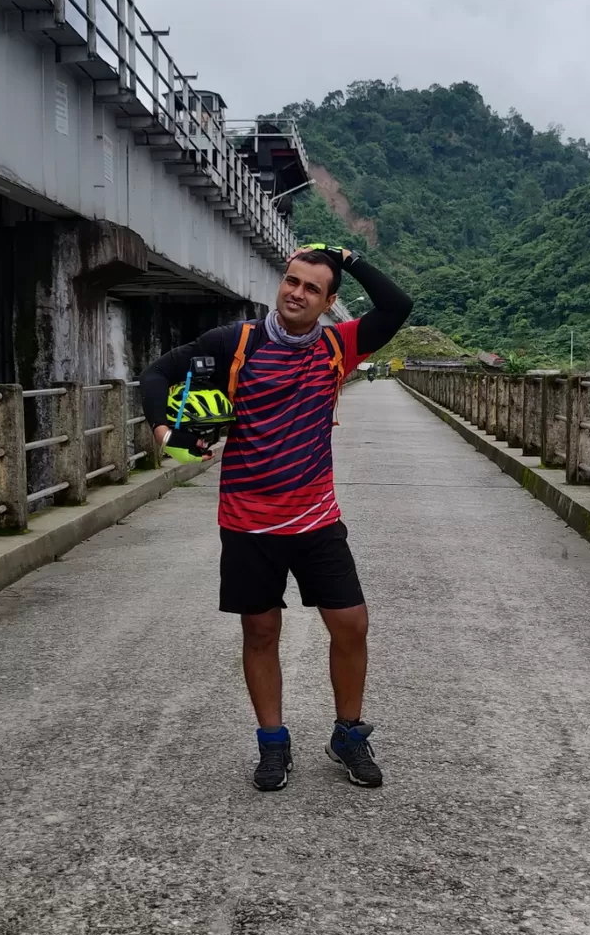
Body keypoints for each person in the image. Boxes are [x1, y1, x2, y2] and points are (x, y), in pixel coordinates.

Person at [138, 245, 412, 793]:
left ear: (330, 301)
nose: (297, 293)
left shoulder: (341, 345)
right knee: (260, 631)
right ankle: (272, 743)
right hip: (247, 521)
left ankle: (349, 734)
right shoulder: (234, 343)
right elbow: (159, 373)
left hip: (316, 518)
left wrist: (347, 256)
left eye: (312, 288)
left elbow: (396, 306)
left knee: (351, 623)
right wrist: (165, 432)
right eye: (291, 281)